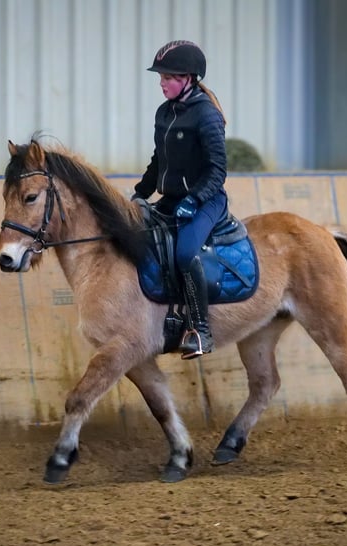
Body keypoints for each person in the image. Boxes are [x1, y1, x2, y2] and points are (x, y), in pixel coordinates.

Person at [132, 40, 229, 360]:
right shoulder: (164, 112)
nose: (162, 82)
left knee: (186, 253)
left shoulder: (207, 116)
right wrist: (140, 193)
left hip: (207, 201)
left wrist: (195, 198)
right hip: (172, 199)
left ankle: (201, 331)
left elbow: (218, 170)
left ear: (188, 78)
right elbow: (158, 160)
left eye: (168, 77)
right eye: (160, 77)